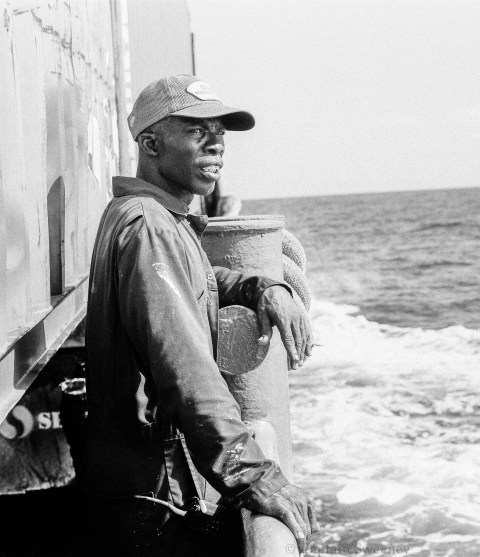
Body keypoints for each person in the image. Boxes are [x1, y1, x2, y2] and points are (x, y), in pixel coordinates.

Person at [80, 74, 316, 556]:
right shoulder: (150, 227)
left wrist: (261, 287)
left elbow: (196, 280)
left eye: (220, 133)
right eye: (196, 131)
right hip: (150, 495)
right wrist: (255, 476)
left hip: (139, 484)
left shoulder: (149, 215)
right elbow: (187, 370)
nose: (216, 145)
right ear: (151, 144)